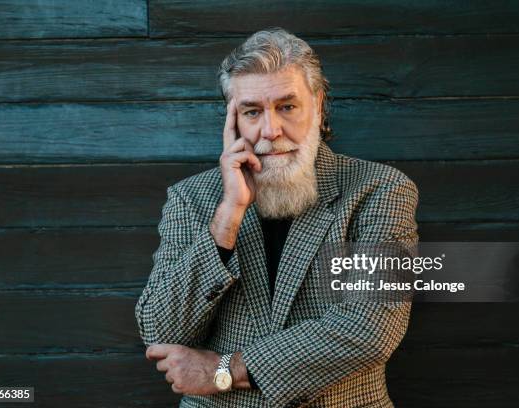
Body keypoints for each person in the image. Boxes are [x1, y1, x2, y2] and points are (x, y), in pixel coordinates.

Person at [135, 27, 419, 408]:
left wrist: (225, 370)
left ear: (317, 106)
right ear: (232, 121)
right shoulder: (192, 198)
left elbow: (371, 327)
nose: (271, 131)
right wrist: (229, 215)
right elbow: (160, 330)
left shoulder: (379, 189)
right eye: (252, 111)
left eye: (287, 106)